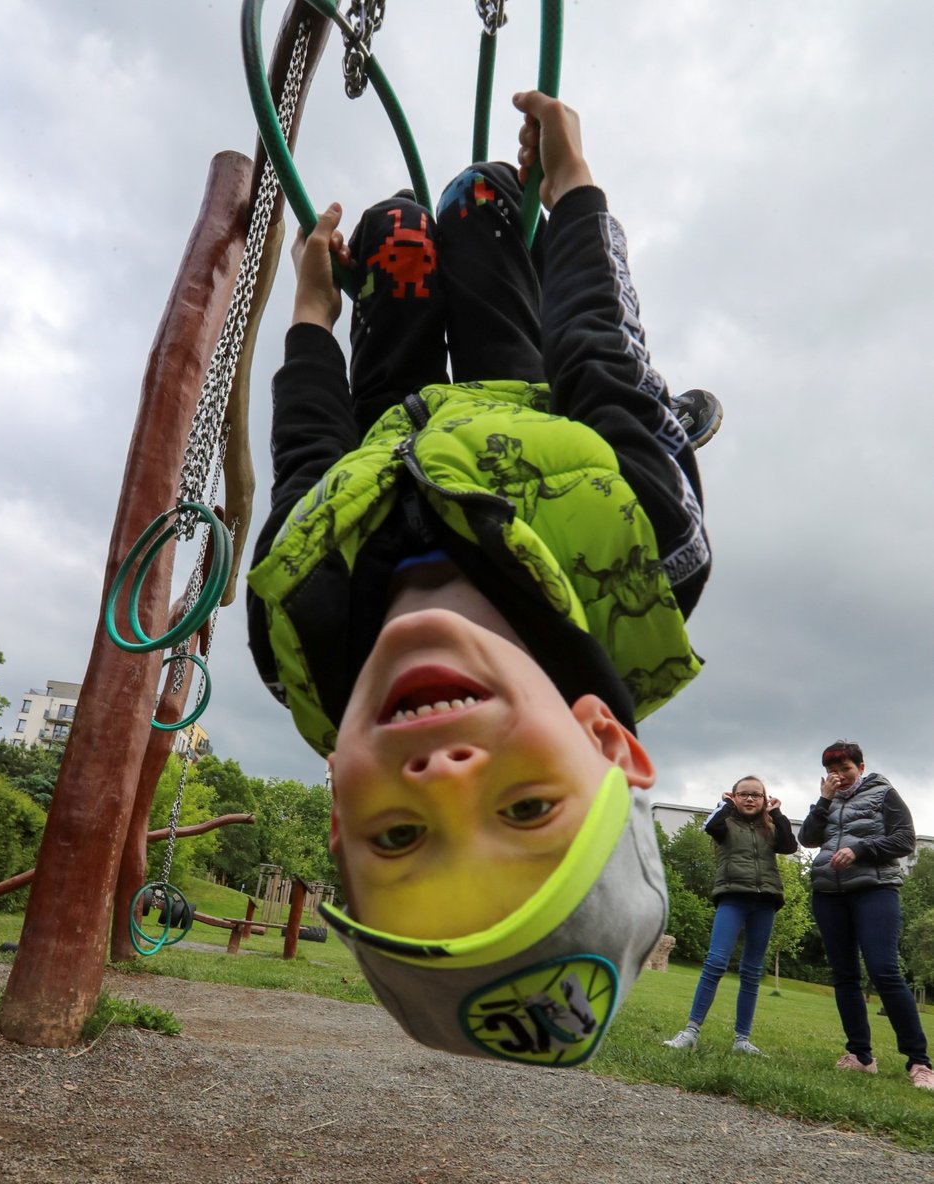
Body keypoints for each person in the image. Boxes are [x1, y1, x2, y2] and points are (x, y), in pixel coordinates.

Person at [246, 91, 712, 1065]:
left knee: (397, 232)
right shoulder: (644, 552)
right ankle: (686, 417)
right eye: (528, 807)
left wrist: (310, 315)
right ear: (605, 740)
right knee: (476, 201)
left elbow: (305, 457)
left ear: (339, 817)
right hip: (532, 399)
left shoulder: (299, 626)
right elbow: (599, 346)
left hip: (387, 431)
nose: (448, 778)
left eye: (400, 836)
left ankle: (395, 269)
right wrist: (576, 186)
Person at [798, 740, 934, 1090]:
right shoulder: (828, 800)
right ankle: (860, 1055)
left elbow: (905, 840)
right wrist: (824, 800)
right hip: (829, 893)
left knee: (883, 970)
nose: (840, 776)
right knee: (844, 976)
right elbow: (808, 838)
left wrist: (860, 849)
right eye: (833, 771)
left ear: (860, 766)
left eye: (846, 769)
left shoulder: (884, 794)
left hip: (875, 889)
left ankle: (919, 1061)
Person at [663, 776, 797, 1056]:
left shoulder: (770, 827)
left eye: (756, 795)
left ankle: (742, 1040)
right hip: (732, 897)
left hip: (765, 901)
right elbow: (709, 825)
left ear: (765, 799)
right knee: (715, 962)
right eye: (743, 794)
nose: (750, 799)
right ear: (733, 797)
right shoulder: (725, 823)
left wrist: (777, 813)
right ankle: (690, 1031)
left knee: (751, 971)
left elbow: (789, 845)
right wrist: (724, 804)